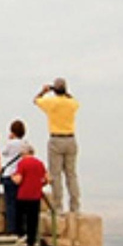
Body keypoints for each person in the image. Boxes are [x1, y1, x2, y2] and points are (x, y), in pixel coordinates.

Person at [34, 78, 81, 213]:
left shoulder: (51, 102)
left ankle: (58, 206)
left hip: (56, 139)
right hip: (70, 139)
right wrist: (64, 92)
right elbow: (74, 100)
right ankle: (75, 206)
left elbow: (36, 100)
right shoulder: (72, 103)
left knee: (56, 175)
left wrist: (43, 91)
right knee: (71, 174)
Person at [11, 144, 50, 246]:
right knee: (33, 220)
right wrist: (40, 185)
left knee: (20, 217)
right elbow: (47, 179)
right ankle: (31, 245)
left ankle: (21, 235)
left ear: (24, 153)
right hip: (35, 196)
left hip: (23, 195)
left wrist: (12, 178)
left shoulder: (22, 163)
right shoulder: (40, 163)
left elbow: (18, 180)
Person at [0, 120, 27, 235]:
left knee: (10, 203)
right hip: (20, 175)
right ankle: (21, 228)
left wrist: (10, 139)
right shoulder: (25, 143)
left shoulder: (10, 143)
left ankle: (11, 228)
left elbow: (4, 153)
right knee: (20, 203)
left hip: (9, 175)